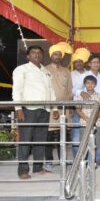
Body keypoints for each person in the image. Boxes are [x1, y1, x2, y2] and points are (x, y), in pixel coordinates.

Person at [12, 45, 59, 179]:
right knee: (25, 141)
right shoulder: (22, 70)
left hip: (44, 109)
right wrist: (18, 108)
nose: (36, 55)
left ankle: (38, 168)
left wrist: (54, 108)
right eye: (33, 53)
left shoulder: (46, 71)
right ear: (28, 56)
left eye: (39, 53)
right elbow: (17, 90)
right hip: (28, 110)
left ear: (42, 56)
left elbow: (51, 91)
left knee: (41, 140)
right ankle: (23, 171)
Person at [44, 43, 73, 172]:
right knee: (49, 135)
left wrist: (69, 107)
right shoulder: (44, 70)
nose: (58, 56)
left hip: (64, 108)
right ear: (51, 56)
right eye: (55, 54)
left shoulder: (67, 71)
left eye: (60, 54)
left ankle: (63, 160)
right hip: (49, 108)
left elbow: (70, 90)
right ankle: (49, 161)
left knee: (63, 135)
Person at [85, 55, 100, 165]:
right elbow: (77, 90)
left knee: (99, 136)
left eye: (98, 62)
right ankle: (85, 159)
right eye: (93, 62)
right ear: (89, 64)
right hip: (85, 110)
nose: (96, 64)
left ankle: (97, 159)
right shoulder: (84, 75)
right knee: (85, 136)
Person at [75, 76, 100, 152]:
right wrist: (87, 119)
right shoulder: (80, 96)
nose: (90, 85)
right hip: (84, 123)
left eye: (92, 83)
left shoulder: (99, 96)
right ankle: (84, 162)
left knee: (95, 144)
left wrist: (94, 119)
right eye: (87, 83)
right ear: (84, 84)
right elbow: (78, 110)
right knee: (84, 144)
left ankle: (93, 162)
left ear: (95, 85)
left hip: (95, 123)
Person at [70, 48, 91, 157]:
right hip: (77, 107)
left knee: (88, 134)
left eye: (80, 61)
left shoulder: (89, 73)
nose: (78, 63)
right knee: (76, 134)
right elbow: (71, 89)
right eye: (76, 62)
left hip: (89, 108)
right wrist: (81, 92)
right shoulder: (71, 74)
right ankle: (76, 158)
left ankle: (88, 158)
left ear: (84, 62)